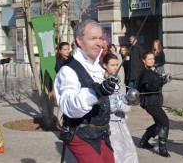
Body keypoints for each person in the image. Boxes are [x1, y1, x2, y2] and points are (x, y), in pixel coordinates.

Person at [54, 19, 117, 162]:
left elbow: (105, 102)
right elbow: (69, 106)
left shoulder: (99, 67)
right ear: (80, 40)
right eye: (93, 38)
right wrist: (96, 93)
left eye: (100, 38)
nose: (99, 43)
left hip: (101, 133)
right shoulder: (68, 69)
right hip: (79, 133)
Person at [103, 53, 138, 163]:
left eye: (117, 65)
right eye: (112, 65)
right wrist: (121, 102)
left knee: (128, 150)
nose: (115, 67)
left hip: (120, 121)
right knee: (115, 152)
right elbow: (107, 105)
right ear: (105, 65)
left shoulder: (116, 80)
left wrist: (128, 98)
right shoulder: (102, 82)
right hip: (109, 123)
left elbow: (118, 98)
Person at [137, 51, 171, 157]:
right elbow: (149, 87)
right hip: (150, 103)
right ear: (144, 60)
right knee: (165, 122)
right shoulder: (145, 73)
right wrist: (162, 81)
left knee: (159, 124)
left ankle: (143, 142)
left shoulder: (152, 71)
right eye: (149, 59)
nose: (152, 60)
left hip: (155, 101)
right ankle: (162, 148)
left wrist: (164, 79)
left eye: (153, 59)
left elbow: (156, 84)